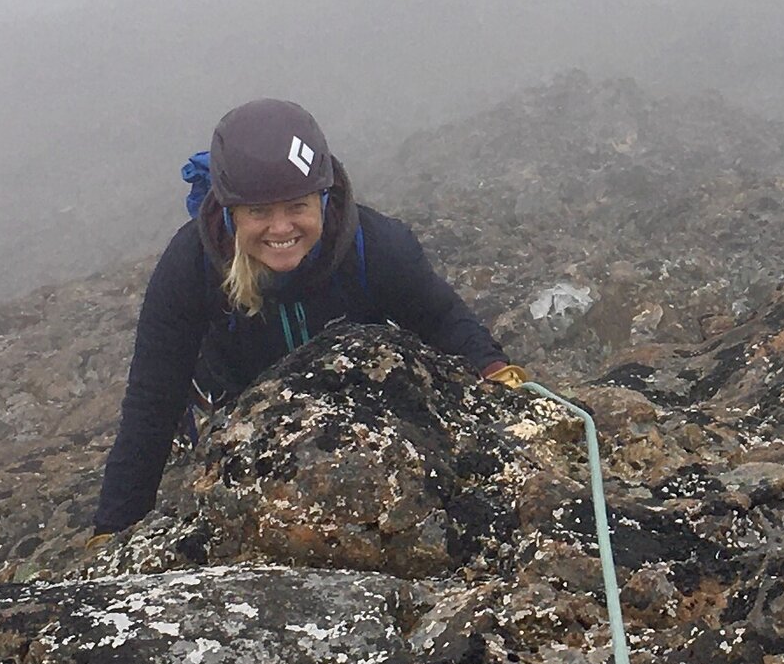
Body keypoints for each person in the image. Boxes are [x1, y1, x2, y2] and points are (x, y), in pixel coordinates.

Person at [92, 97, 514, 532]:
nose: (281, 228)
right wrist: (113, 531)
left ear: (323, 198)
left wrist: (500, 378)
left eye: (297, 206)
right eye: (259, 211)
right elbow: (153, 403)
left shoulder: (375, 247)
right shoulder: (191, 267)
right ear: (230, 211)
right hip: (240, 422)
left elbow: (442, 320)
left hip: (360, 415)